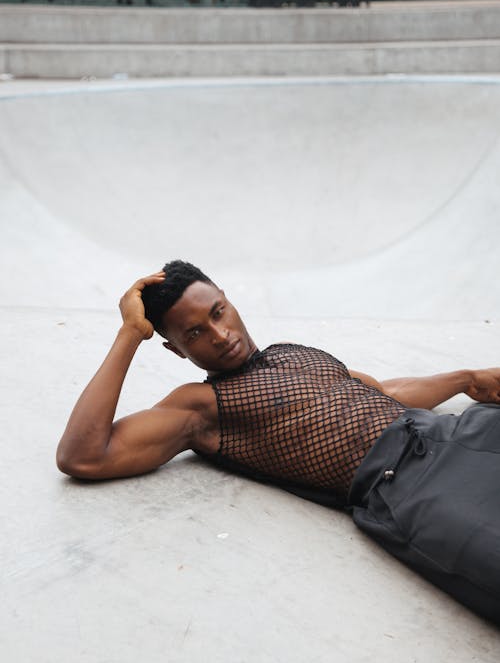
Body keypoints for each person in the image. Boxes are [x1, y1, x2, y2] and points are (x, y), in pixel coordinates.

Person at [57, 261, 500, 624]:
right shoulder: (199, 408)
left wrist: (465, 378)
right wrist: (130, 333)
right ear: (176, 350)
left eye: (218, 312)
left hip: (450, 433)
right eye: (193, 334)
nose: (220, 335)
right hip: (408, 488)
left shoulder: (294, 352)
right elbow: (83, 455)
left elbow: (383, 392)